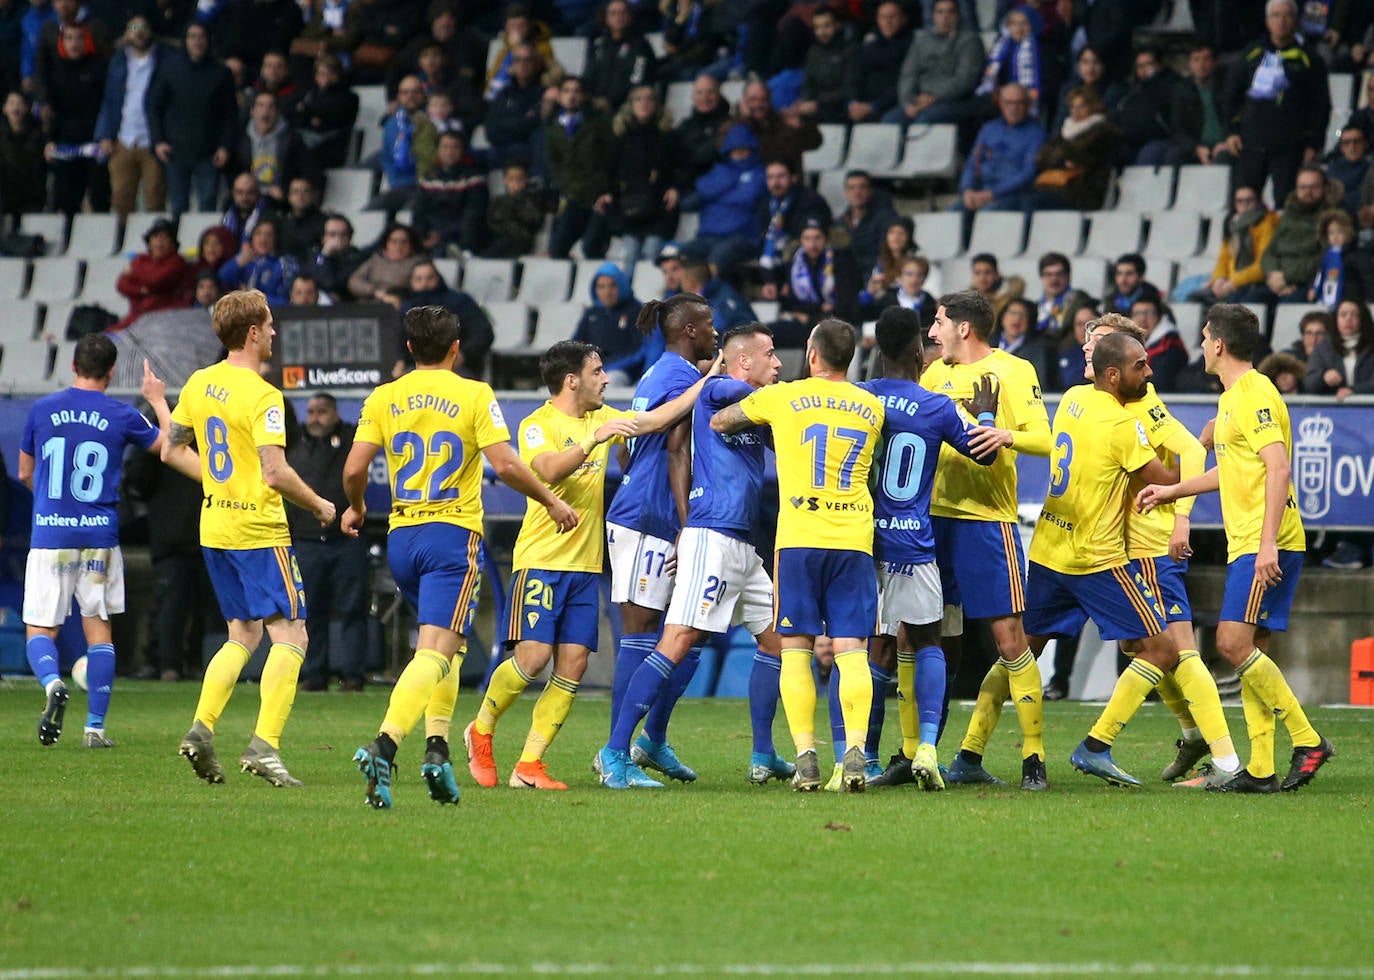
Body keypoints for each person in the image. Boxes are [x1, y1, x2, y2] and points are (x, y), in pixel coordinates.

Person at [344, 306, 578, 809]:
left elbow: (354, 467)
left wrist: (359, 506)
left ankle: (437, 750)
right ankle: (385, 743)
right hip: (452, 535)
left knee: (445, 648)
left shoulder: (385, 396)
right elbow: (505, 464)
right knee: (434, 650)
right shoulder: (474, 393)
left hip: (403, 535)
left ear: (410, 348)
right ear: (456, 348)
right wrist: (551, 500)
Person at [468, 337, 718, 791]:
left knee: (574, 665)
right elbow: (548, 469)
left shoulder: (604, 417)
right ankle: (481, 728)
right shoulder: (537, 424)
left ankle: (529, 764)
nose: (605, 379)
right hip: (541, 559)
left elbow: (658, 419)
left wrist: (707, 380)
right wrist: (592, 440)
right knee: (533, 657)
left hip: (586, 563)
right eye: (597, 371)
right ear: (572, 380)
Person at [1138, 303, 1334, 792]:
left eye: (1205, 337)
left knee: (1231, 643)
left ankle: (1308, 740)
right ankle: (1262, 769)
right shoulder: (1232, 400)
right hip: (1252, 538)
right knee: (1253, 650)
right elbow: (1233, 469)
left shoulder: (1254, 394)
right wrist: (1172, 491)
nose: (1202, 344)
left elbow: (1278, 467)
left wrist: (1266, 544)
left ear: (1219, 344)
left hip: (1264, 541)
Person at [147, 289, 338, 787]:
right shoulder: (263, 395)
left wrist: (216, 478)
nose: (274, 332)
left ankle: (201, 729)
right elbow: (275, 473)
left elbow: (171, 451)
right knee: (293, 634)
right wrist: (318, 504)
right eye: (270, 325)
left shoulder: (200, 382)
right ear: (252, 332)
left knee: (243, 635)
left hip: (215, 528)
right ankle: (265, 746)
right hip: (258, 529)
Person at [598, 323, 795, 788]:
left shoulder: (751, 407)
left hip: (743, 543)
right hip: (712, 538)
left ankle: (763, 753)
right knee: (678, 637)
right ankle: (614, 752)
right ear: (743, 360)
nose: (778, 363)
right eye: (769, 355)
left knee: (777, 642)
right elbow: (724, 389)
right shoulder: (718, 390)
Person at [710, 318, 884, 793]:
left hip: (800, 538)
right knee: (852, 652)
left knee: (795, 651)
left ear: (811, 354)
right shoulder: (871, 405)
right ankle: (854, 754)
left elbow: (720, 420)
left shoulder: (783, 397)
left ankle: (806, 757)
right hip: (852, 539)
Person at [1078, 314, 1240, 786]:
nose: (1088, 350)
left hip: (1151, 543)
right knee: (1139, 644)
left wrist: (1182, 518)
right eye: (1088, 344)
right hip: (1121, 546)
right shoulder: (1095, 400)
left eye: (1097, 344)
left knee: (1178, 648)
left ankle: (1227, 761)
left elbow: (1192, 449)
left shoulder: (1141, 402)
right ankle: (1192, 734)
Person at [860, 307, 996, 790]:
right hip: (914, 541)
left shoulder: (860, 399)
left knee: (872, 648)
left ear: (877, 350)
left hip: (863, 541)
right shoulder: (938, 406)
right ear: (920, 353)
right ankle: (928, 750)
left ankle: (865, 755)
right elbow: (986, 451)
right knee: (928, 640)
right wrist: (984, 413)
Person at [20, 335, 177, 747]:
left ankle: (53, 683)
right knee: (99, 632)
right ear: (111, 372)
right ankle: (95, 728)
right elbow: (170, 446)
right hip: (99, 536)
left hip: (51, 533)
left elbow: (24, 472)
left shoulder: (41, 409)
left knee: (41, 629)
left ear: (73, 365)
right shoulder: (121, 414)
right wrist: (158, 399)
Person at [922, 290, 1051, 789]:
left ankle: (1034, 757)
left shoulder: (1016, 372)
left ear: (964, 328)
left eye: (938, 323)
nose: (932, 333)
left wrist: (1006, 436)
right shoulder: (933, 376)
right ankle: (923, 753)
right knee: (932, 639)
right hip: (934, 520)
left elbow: (1047, 438)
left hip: (987, 521)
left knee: (1010, 639)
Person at [601, 292, 719, 783]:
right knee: (643, 634)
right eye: (709, 323)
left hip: (650, 511)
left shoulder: (660, 371)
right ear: (689, 329)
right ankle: (615, 755)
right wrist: (685, 520)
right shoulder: (680, 377)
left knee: (690, 635)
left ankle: (652, 740)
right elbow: (673, 450)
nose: (715, 330)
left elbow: (629, 444)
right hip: (649, 517)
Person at [287, 393, 367, 693]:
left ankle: (353, 675)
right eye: (311, 412)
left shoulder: (349, 439)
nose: (315, 418)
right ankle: (314, 673)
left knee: (352, 609)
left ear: (335, 413)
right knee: (312, 611)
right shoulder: (296, 443)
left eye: (322, 412)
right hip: (307, 540)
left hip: (348, 539)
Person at [1221, 0, 1331, 207]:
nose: (1282, 21)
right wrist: (1231, 131)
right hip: (1251, 144)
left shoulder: (1311, 59)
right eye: (1276, 15)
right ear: (1267, 21)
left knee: (1287, 205)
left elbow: (1320, 106)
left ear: (1296, 20)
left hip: (1290, 147)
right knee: (1244, 205)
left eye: (1287, 15)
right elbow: (1230, 97)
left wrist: (1312, 143)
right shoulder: (1250, 55)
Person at [148, 22, 236, 217]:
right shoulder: (169, 69)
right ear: (185, 41)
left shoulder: (221, 73)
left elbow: (230, 114)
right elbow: (153, 107)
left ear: (208, 40)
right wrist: (158, 141)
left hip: (209, 153)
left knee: (207, 205)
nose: (197, 41)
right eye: (192, 36)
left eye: (201, 37)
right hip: (175, 152)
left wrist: (225, 146)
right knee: (178, 206)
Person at [599, 85, 684, 269]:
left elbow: (681, 167)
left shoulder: (668, 136)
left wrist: (675, 187)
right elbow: (608, 170)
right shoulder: (620, 136)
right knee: (630, 254)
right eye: (638, 99)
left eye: (649, 98)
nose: (644, 103)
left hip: (658, 206)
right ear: (630, 105)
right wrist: (606, 192)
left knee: (651, 253)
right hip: (629, 207)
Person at [94, 15, 168, 219]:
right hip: (123, 139)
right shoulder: (117, 62)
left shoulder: (163, 61)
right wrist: (105, 134)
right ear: (127, 33)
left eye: (143, 27)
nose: (139, 32)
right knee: (121, 197)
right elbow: (108, 100)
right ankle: (120, 242)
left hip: (151, 140)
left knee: (155, 196)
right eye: (134, 27)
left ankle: (154, 244)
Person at [683, 122, 765, 282]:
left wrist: (718, 194)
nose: (740, 155)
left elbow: (751, 197)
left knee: (719, 256)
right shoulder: (718, 173)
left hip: (742, 237)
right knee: (684, 254)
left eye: (744, 150)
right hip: (707, 236)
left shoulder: (761, 174)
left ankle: (711, 299)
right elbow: (687, 203)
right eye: (735, 151)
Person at [545, 74, 614, 259]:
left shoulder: (598, 123)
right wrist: (568, 187)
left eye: (577, 91)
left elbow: (609, 158)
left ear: (583, 96)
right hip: (572, 195)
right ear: (559, 96)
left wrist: (603, 188)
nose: (572, 95)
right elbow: (554, 165)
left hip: (597, 193)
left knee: (592, 247)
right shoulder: (552, 130)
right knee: (557, 248)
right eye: (567, 91)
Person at [952, 83, 1045, 221]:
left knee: (986, 217)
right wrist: (967, 190)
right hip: (980, 193)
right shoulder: (988, 129)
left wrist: (992, 193)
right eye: (1008, 103)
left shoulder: (1037, 134)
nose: (1013, 108)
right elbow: (972, 164)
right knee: (949, 216)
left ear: (1028, 104)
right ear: (1000, 104)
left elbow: (1028, 174)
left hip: (1013, 197)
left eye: (1019, 103)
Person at [888, 0, 984, 125]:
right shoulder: (921, 41)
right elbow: (908, 75)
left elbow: (964, 81)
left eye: (950, 12)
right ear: (933, 16)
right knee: (890, 120)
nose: (945, 17)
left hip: (955, 101)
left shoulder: (970, 41)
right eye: (940, 12)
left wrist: (932, 97)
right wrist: (908, 103)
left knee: (924, 120)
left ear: (958, 16)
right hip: (919, 101)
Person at [1247, 167, 1333, 304]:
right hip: (1276, 280)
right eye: (1303, 187)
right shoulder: (1288, 214)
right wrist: (1274, 275)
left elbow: (1325, 258)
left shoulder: (1331, 217)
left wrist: (1287, 277)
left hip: (1306, 283)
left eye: (1314, 187)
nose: (1308, 192)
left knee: (1288, 305)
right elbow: (1269, 252)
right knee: (1250, 302)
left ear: (1324, 188)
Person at [399, 260, 493, 379]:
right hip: (413, 368)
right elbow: (396, 340)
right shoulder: (404, 307)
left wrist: (464, 354)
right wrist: (399, 360)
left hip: (457, 367)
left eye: (429, 278)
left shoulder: (461, 302)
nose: (425, 283)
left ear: (438, 278)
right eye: (419, 279)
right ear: (411, 282)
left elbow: (483, 333)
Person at [1033, 86, 1119, 211]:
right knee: (1018, 201)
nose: (1076, 111)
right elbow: (1041, 158)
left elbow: (1085, 159)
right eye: (1072, 107)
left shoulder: (1103, 132)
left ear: (1094, 106)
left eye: (1081, 106)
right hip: (1055, 186)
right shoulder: (1065, 131)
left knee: (1029, 202)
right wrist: (1064, 160)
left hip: (1083, 191)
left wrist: (1062, 157)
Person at [1190, 186, 1276, 304]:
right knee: (1194, 298)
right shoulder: (1232, 224)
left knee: (1235, 303)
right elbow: (1223, 259)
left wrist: (1233, 282)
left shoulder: (1266, 223)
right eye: (1240, 201)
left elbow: (1263, 265)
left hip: (1253, 282)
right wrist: (1218, 279)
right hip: (1231, 282)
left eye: (1249, 200)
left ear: (1257, 201)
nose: (1244, 204)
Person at [412, 129, 490, 256]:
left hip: (458, 239)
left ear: (463, 150)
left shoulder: (475, 178)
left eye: (455, 147)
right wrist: (421, 238)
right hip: (431, 236)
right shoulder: (428, 178)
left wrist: (440, 236)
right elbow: (419, 212)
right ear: (438, 150)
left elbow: (473, 216)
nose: (449, 152)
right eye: (445, 147)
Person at [371, 74, 439, 215]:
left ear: (424, 95)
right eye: (405, 92)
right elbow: (386, 156)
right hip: (400, 185)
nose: (410, 96)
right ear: (399, 96)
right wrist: (394, 179)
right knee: (369, 211)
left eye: (415, 92)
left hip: (427, 185)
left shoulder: (435, 120)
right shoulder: (391, 123)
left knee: (410, 213)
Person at [114, 217, 191, 328]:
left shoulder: (177, 261)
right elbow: (122, 285)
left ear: (172, 243)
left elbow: (156, 279)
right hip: (136, 317)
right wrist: (141, 290)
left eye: (164, 237)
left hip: (163, 319)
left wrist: (134, 272)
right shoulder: (141, 259)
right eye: (155, 237)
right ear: (149, 241)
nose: (159, 241)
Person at [845, 0, 911, 125]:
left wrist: (873, 106)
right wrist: (854, 103)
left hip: (892, 105)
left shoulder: (912, 46)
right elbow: (855, 79)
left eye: (892, 17)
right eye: (883, 17)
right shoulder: (869, 47)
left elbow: (905, 84)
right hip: (863, 106)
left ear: (903, 19)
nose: (888, 21)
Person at [582, 0, 656, 111]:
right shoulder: (598, 44)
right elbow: (588, 76)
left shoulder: (641, 45)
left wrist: (611, 101)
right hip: (595, 105)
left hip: (626, 107)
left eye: (623, 13)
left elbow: (638, 80)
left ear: (630, 16)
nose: (619, 17)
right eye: (613, 13)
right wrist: (592, 99)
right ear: (606, 18)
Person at [289, 54, 358, 170]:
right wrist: (310, 116)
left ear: (338, 75)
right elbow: (294, 114)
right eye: (321, 74)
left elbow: (334, 116)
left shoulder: (349, 97)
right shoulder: (309, 94)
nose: (325, 77)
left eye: (329, 73)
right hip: (305, 137)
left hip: (331, 143)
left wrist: (307, 112)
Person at [572, 262, 643, 374]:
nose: (607, 292)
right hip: (593, 368)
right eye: (601, 287)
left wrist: (606, 367)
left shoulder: (636, 310)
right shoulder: (592, 312)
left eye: (612, 285)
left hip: (622, 371)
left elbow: (637, 351)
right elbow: (576, 343)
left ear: (622, 284)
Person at [217, 218, 299, 307]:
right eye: (258, 233)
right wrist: (238, 261)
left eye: (269, 235)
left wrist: (252, 298)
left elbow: (286, 301)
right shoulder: (245, 263)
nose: (263, 239)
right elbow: (222, 277)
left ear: (276, 238)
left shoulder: (285, 263)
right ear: (251, 238)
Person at [1304, 296, 1374, 399]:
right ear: (1335, 319)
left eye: (1354, 315)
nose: (1348, 319)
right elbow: (1309, 383)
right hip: (1334, 410)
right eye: (1343, 315)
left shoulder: (1371, 346)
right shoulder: (1323, 347)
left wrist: (1353, 390)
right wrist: (1323, 378)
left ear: (1362, 319)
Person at [795, 6, 850, 124]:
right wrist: (804, 101)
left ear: (837, 25)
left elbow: (849, 88)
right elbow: (808, 84)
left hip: (839, 108)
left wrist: (819, 104)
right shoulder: (813, 52)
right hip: (816, 107)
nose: (821, 32)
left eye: (826, 26)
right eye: (817, 27)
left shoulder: (850, 50)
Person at [347, 222, 424, 306]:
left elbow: (423, 287)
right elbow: (354, 281)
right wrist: (374, 291)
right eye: (393, 241)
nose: (398, 246)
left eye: (404, 242)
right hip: (369, 304)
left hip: (402, 306)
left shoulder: (419, 262)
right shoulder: (376, 259)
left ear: (411, 244)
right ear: (386, 243)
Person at [674, 71, 730, 182]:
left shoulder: (730, 124)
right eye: (699, 93)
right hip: (688, 183)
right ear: (693, 97)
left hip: (719, 181)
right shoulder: (685, 126)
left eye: (710, 92)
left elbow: (700, 157)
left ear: (719, 94)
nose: (705, 97)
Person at [484, 160, 548, 258]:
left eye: (519, 179)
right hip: (499, 239)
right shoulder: (498, 200)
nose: (515, 183)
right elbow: (491, 221)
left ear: (526, 180)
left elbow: (532, 222)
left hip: (521, 241)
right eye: (511, 179)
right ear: (505, 180)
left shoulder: (533, 199)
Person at [1131, 293, 1189, 393]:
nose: (1142, 319)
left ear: (1159, 316)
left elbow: (1160, 382)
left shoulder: (1170, 345)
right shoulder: (1128, 343)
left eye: (1148, 313)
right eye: (1137, 313)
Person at [995, 296, 1055, 384]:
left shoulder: (1038, 350)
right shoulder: (988, 343)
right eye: (1013, 313)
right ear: (1003, 317)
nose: (1017, 319)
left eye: (1023, 315)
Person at [307, 213, 365, 300]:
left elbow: (331, 284)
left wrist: (327, 257)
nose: (338, 239)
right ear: (323, 238)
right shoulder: (315, 255)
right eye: (332, 234)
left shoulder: (355, 257)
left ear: (350, 238)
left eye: (343, 234)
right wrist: (325, 255)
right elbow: (314, 278)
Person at [1034, 252, 1093, 337]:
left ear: (1068, 276)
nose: (1054, 280)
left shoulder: (1081, 303)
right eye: (1048, 275)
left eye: (1059, 274)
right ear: (1041, 278)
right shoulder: (1035, 306)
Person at [1105, 253, 1162, 317]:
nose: (1123, 280)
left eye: (1129, 274)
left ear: (1141, 277)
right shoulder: (1110, 300)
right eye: (1119, 273)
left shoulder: (1154, 304)